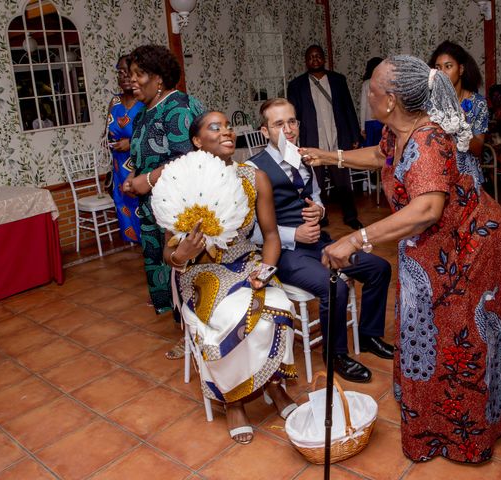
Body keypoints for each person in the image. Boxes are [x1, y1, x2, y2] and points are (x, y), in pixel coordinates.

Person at [302, 55, 501, 463]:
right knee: (431, 335)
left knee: (463, 340)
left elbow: (427, 210)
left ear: (389, 100)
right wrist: (328, 156)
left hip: (469, 249)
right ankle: (435, 422)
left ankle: (465, 434)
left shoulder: (428, 141)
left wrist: (356, 238)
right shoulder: (399, 130)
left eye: (371, 88)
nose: (366, 93)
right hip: (432, 250)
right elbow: (380, 157)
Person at [164, 111, 297, 444]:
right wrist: (183, 254)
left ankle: (273, 385)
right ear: (196, 140)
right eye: (215, 127)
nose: (226, 131)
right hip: (201, 270)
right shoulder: (182, 181)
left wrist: (264, 273)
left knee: (277, 303)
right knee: (226, 315)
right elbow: (169, 253)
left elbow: (270, 236)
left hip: (246, 261)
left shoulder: (255, 178)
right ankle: (233, 400)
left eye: (228, 126)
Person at [249, 98, 393, 384]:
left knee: (379, 268)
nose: (288, 130)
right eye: (279, 124)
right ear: (265, 131)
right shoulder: (252, 170)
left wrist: (320, 210)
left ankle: (368, 336)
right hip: (286, 254)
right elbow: (250, 231)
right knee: (335, 286)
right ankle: (335, 354)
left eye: (292, 122)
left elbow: (314, 196)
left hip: (318, 244)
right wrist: (294, 234)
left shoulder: (304, 158)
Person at [123, 44, 204, 359]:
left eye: (138, 75)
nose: (132, 82)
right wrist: (136, 180)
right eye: (130, 75)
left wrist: (148, 180)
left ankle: (198, 334)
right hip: (155, 210)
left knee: (187, 269)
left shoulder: (179, 108)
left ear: (158, 78)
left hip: (181, 208)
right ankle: (186, 327)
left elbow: (191, 158)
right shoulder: (145, 111)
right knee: (171, 272)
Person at [287, 45, 364, 230]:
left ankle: (351, 216)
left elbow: (348, 108)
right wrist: (294, 141)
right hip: (312, 141)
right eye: (311, 56)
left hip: (337, 139)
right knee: (315, 184)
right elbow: (293, 115)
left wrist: (354, 134)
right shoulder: (296, 85)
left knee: (343, 182)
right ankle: (320, 217)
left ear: (324, 58)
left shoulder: (338, 80)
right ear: (306, 61)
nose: (315, 59)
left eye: (318, 56)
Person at [430, 40, 488, 194]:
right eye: (438, 68)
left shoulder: (478, 103)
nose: (442, 73)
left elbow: (477, 150)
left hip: (466, 176)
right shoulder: (431, 103)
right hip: (436, 174)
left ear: (461, 69)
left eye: (448, 66)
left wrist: (462, 125)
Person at [105, 54, 143, 243]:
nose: (124, 76)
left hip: (140, 165)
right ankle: (134, 244)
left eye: (128, 72)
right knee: (123, 204)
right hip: (119, 166)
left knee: (142, 206)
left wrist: (131, 142)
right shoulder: (115, 103)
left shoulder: (145, 101)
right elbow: (108, 130)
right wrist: (107, 140)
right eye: (120, 72)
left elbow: (154, 134)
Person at [360, 57, 385, 147]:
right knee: (382, 147)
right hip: (383, 120)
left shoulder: (366, 84)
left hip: (369, 121)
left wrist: (362, 127)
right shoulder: (385, 82)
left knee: (370, 147)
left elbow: (363, 106)